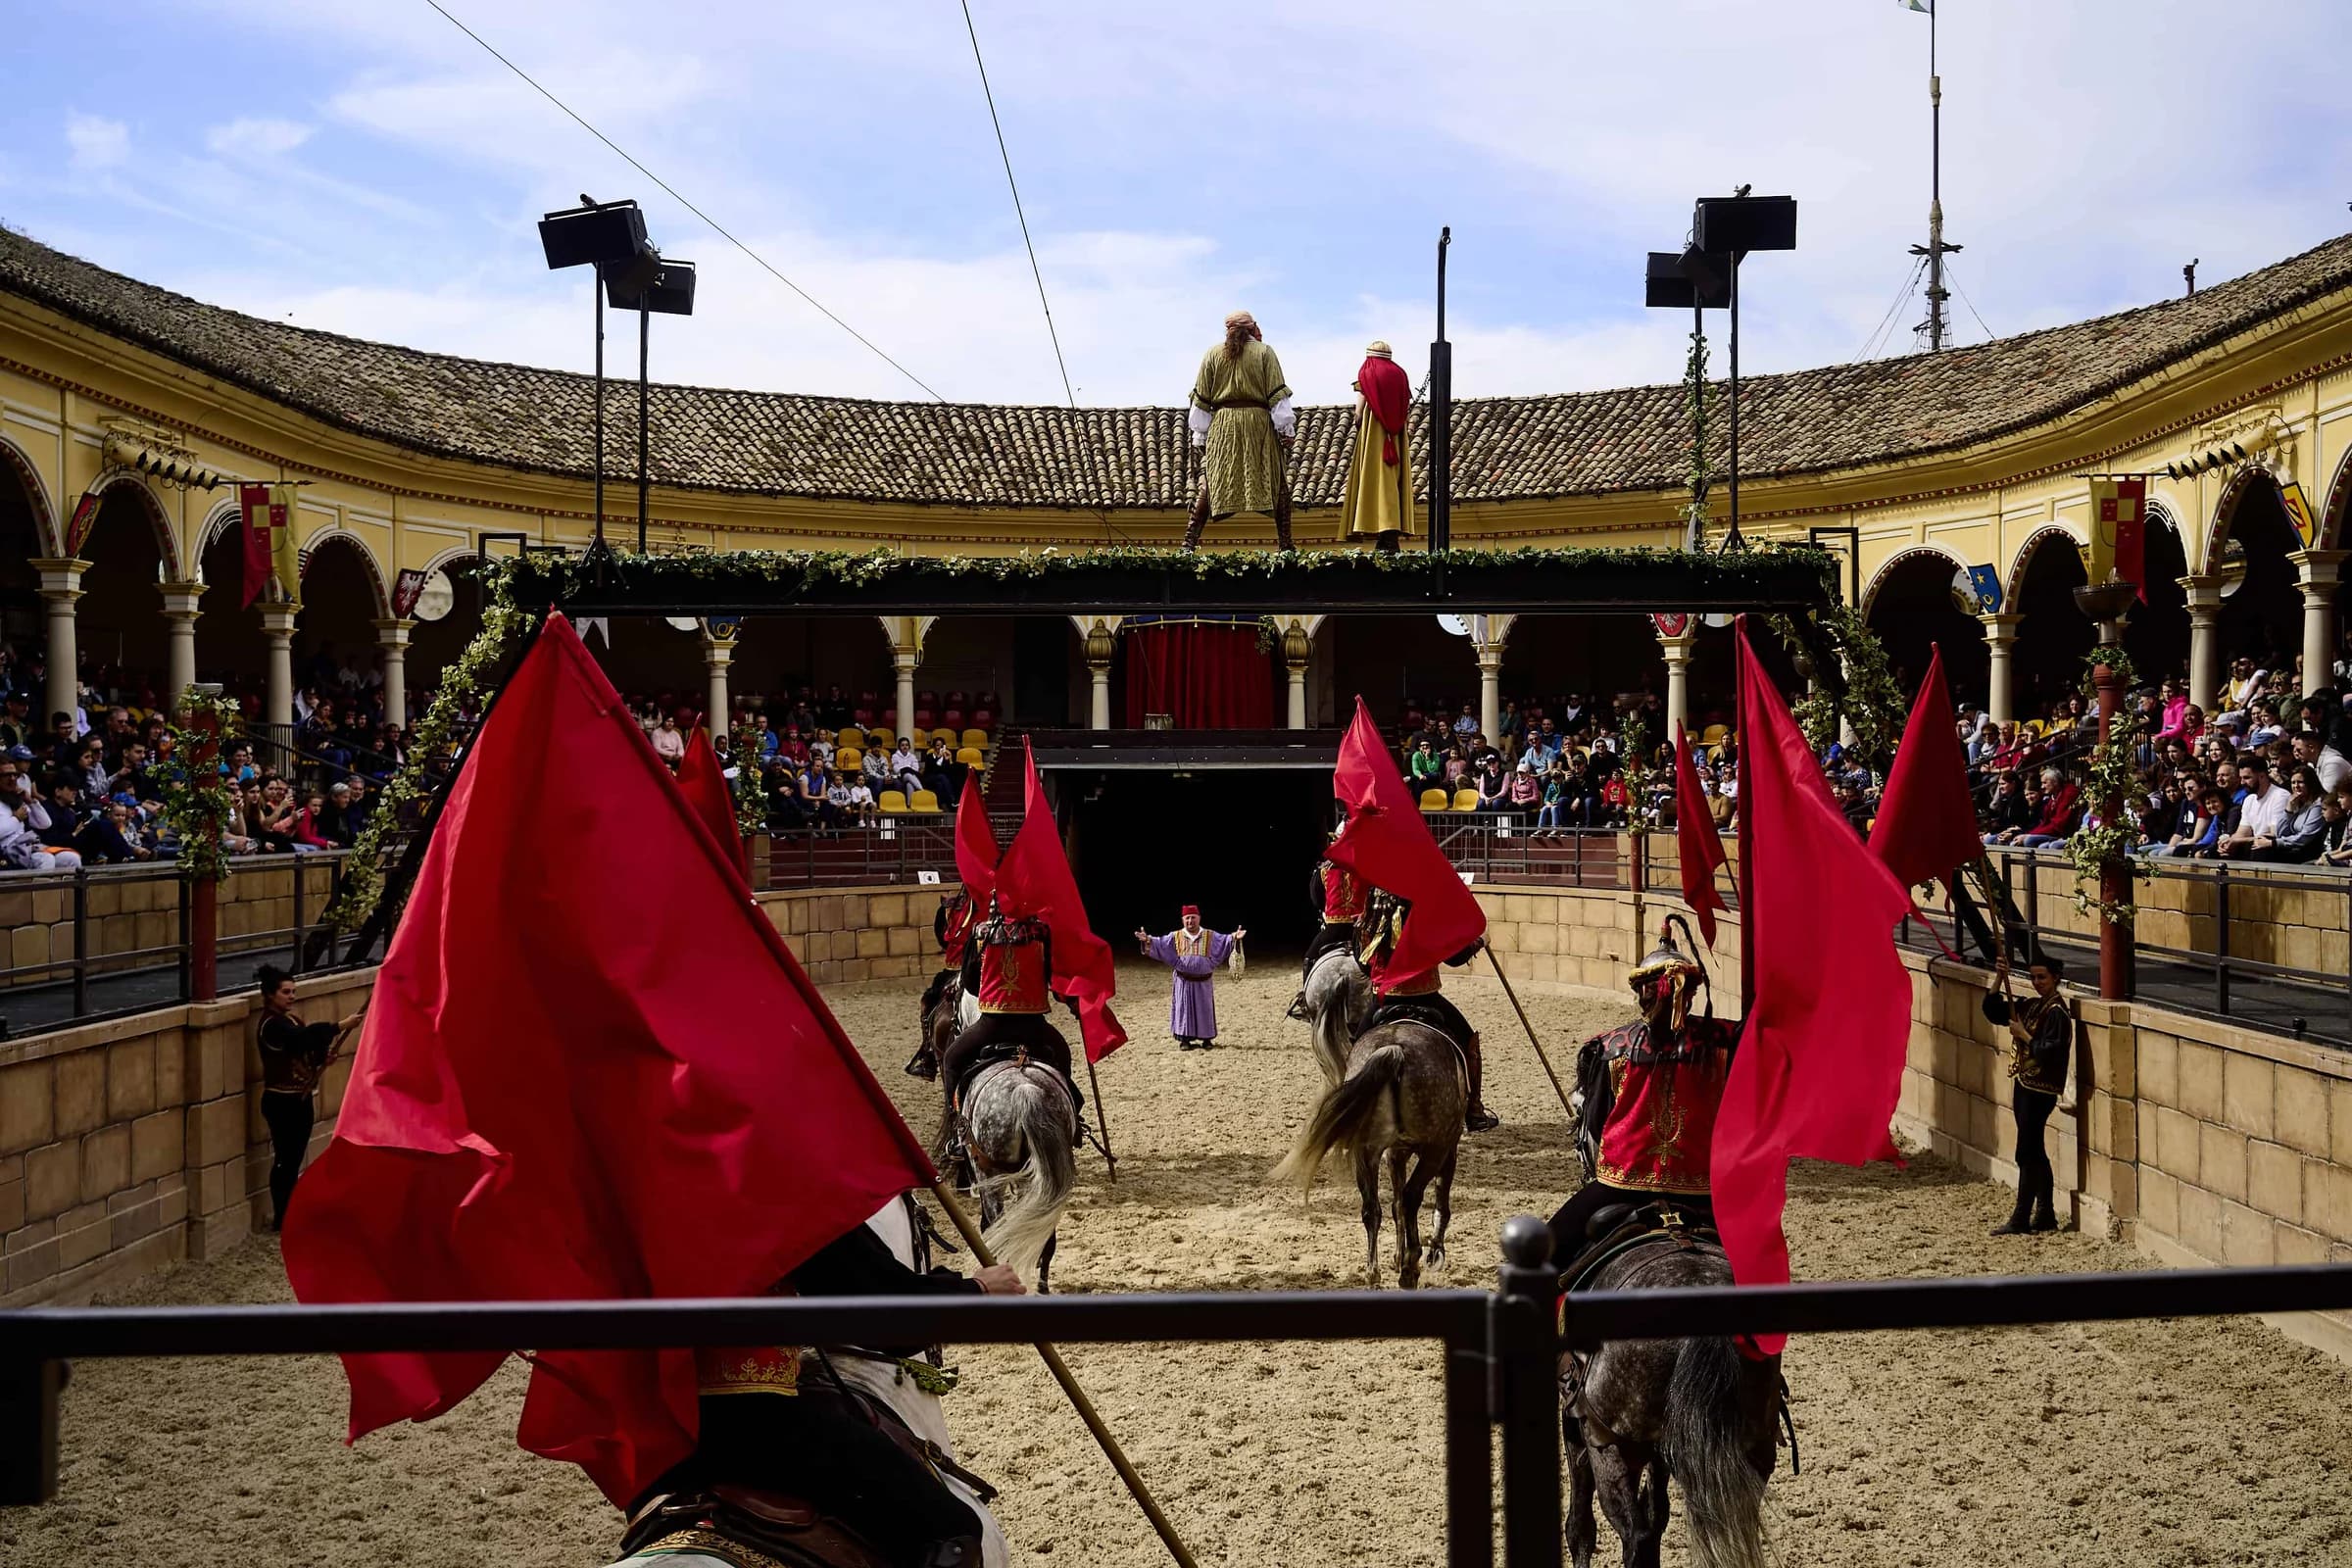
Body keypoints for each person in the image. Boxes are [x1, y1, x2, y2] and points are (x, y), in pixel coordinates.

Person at [626, 1204, 1024, 1568]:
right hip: (762, 1429)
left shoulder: (635, 1174)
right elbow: (878, 1306)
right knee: (952, 1527)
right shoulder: (763, 1178)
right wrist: (976, 1290)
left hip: (658, 1448)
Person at [1545, 920, 1739, 1268]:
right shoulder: (1726, 1041)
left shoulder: (1607, 1048)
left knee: (1537, 1255)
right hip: (1708, 1189)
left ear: (1642, 994)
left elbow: (1596, 1126)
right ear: (1689, 994)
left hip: (1622, 1183)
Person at [1355, 890, 1496, 1132]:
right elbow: (1454, 958)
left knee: (1355, 1048)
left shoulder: (1373, 898)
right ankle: (1474, 1110)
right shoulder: (1427, 904)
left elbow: (1362, 960)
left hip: (1383, 999)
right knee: (1468, 1042)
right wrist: (1481, 940)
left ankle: (1350, 1113)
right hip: (1426, 997)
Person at [937, 897, 1081, 1118]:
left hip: (991, 1026)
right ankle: (1072, 1118)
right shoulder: (1042, 933)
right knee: (1063, 1056)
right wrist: (1076, 1006)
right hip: (1034, 1028)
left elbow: (971, 983)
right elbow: (1056, 979)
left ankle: (956, 1124)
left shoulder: (980, 933)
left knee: (951, 1060)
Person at [253, 964, 366, 1231]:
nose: (291, 996)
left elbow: (306, 1048)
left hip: (299, 1100)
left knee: (294, 1158)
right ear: (270, 995)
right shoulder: (271, 1025)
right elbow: (301, 1039)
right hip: (281, 1101)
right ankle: (283, 1217)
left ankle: (292, 1212)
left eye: (293, 991)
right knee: (285, 1160)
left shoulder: (290, 1020)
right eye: (285, 992)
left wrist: (321, 1058)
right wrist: (339, 1026)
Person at [1183, 310, 1296, 551]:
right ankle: (1286, 544)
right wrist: (1286, 430)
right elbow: (1277, 395)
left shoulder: (1212, 354)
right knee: (1276, 480)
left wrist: (1199, 436)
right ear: (1253, 328)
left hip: (1223, 426)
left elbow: (1201, 400)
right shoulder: (1265, 352)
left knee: (1212, 481)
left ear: (1228, 331)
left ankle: (1189, 542)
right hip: (1259, 424)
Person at [1983, 954, 2072, 1235]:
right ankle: (2045, 1213)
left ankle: (2021, 1216)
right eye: (2033, 977)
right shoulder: (2033, 1005)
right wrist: (1999, 977)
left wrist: (2024, 1035)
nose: (2036, 983)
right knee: (2035, 1150)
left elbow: (2051, 1051)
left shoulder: (2057, 1013)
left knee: (2026, 1151)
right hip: (2025, 1084)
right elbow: (1995, 1011)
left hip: (2041, 1089)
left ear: (2055, 977)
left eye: (2042, 977)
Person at [1339, 339, 1416, 553]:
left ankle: (1377, 527)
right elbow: (1405, 403)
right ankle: (1391, 532)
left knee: (1374, 476)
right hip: (1396, 433)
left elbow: (1361, 400)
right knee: (1392, 477)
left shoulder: (1368, 371)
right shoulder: (1400, 374)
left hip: (1375, 430)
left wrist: (1358, 417)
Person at [1136, 905, 1244, 1050]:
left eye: (1193, 918)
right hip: (1183, 981)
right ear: (1183, 920)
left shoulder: (1210, 935)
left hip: (1204, 981)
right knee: (1184, 1008)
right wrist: (1147, 939)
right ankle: (1185, 1040)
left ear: (1199, 918)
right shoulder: (1176, 936)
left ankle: (1206, 1040)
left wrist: (1234, 937)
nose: (1190, 921)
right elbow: (1160, 942)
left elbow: (1225, 940)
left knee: (1204, 1009)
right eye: (1187, 918)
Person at [1289, 841, 1369, 1019]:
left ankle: (1305, 1002)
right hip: (1360, 930)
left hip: (1333, 929)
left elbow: (1317, 900)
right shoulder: (1366, 868)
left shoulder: (1324, 870)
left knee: (1309, 957)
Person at [908, 889, 978, 1079]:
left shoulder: (950, 906)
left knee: (927, 1002)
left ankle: (928, 1057)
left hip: (954, 969)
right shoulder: (990, 903)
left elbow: (941, 937)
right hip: (981, 970)